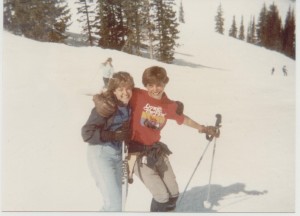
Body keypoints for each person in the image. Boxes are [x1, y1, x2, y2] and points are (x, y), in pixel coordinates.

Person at [127, 66, 219, 212]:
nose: (155, 89)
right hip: (136, 153)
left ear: (165, 84)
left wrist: (203, 128)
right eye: (150, 85)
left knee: (173, 195)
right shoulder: (137, 95)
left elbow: (184, 119)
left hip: (155, 151)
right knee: (161, 197)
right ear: (146, 85)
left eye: (159, 84)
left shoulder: (168, 105)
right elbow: (117, 94)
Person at [81, 72, 134, 211]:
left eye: (128, 88)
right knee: (114, 204)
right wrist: (113, 135)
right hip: (101, 154)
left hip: (119, 156)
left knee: (120, 203)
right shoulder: (106, 106)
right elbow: (87, 133)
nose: (125, 92)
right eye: (120, 89)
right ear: (113, 91)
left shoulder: (129, 105)